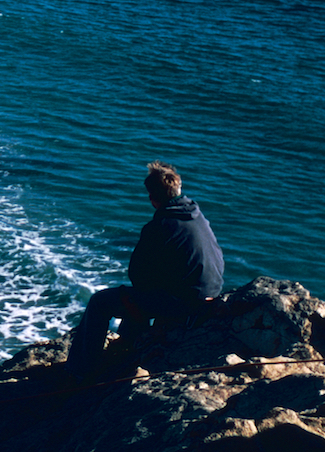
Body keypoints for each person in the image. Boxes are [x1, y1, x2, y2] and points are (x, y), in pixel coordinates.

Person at [67, 161, 224, 375]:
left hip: (185, 304)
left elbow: (137, 274)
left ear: (152, 198)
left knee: (100, 302)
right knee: (142, 297)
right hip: (211, 295)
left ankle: (81, 371)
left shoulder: (159, 226)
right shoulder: (198, 217)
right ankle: (128, 349)